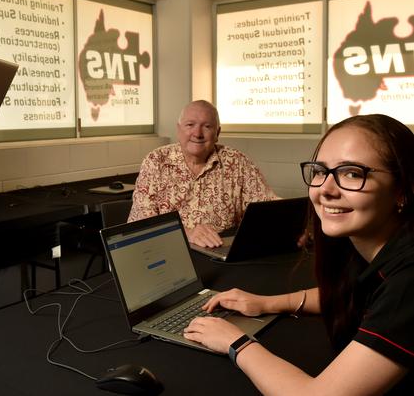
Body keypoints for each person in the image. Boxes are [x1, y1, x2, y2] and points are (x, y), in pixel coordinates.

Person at [183, 114, 414, 395]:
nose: (326, 189)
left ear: (401, 189)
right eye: (320, 171)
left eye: (352, 173)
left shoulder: (408, 279)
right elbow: (353, 292)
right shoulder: (375, 247)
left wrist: (236, 342)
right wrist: (266, 303)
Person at [128, 100, 276, 247]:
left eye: (207, 126)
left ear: (217, 133)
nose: (197, 133)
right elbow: (142, 222)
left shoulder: (237, 162)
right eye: (190, 125)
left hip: (220, 250)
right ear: (178, 130)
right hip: (169, 250)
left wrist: (296, 223)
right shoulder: (156, 161)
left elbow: (267, 205)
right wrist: (187, 233)